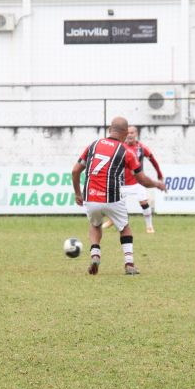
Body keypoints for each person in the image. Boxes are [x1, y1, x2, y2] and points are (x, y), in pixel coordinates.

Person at [72, 117, 167, 275]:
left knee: (95, 225)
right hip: (113, 198)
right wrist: (157, 184)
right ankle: (129, 264)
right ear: (125, 133)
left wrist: (77, 193)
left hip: (91, 196)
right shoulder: (126, 151)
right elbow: (142, 179)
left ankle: (95, 254)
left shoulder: (93, 145)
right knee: (124, 228)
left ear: (110, 129)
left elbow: (75, 171)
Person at [103, 125, 164, 233]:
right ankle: (112, 220)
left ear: (136, 134)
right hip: (122, 182)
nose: (130, 135)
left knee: (143, 202)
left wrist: (159, 173)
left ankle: (149, 226)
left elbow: (153, 160)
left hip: (137, 182)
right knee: (113, 203)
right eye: (128, 133)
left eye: (132, 133)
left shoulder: (141, 148)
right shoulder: (120, 147)